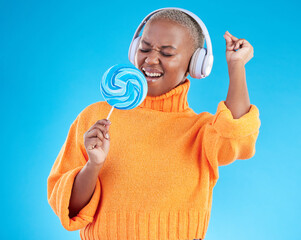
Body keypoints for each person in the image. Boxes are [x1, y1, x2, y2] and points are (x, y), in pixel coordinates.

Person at [47, 8, 261, 240]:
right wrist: (93, 166)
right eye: (145, 48)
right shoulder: (96, 119)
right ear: (134, 49)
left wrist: (237, 66)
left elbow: (237, 136)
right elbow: (70, 208)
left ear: (196, 63)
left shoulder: (201, 130)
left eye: (167, 53)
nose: (150, 59)